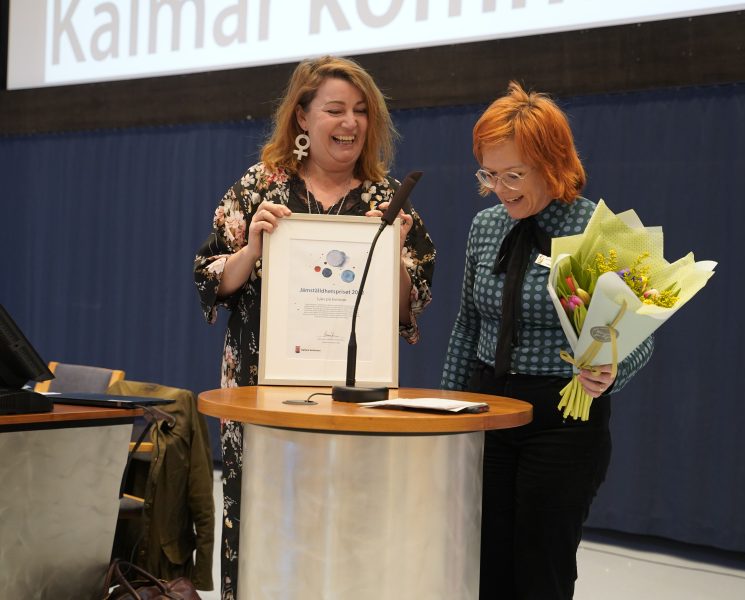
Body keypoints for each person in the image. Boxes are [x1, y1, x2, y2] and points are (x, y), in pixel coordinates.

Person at [194, 56, 435, 599]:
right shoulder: (261, 187)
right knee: (260, 520)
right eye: (334, 109)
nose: (349, 122)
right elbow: (210, 274)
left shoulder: (387, 199)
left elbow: (409, 305)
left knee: (347, 526)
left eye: (360, 111)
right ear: (302, 118)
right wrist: (252, 248)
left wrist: (391, 253)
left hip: (354, 402)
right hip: (259, 394)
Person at [440, 82, 654, 600]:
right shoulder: (485, 226)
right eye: (489, 174)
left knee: (541, 569)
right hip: (486, 408)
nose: (501, 189)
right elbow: (467, 325)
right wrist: (442, 416)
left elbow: (640, 335)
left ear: (554, 163)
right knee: (482, 565)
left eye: (514, 175)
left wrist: (611, 371)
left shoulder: (599, 230)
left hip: (561, 415)